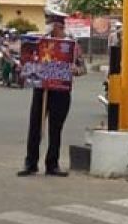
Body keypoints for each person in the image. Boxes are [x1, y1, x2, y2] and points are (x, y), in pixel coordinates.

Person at [18, 11, 84, 177]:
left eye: (55, 25)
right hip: (41, 89)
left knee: (56, 129)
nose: (52, 28)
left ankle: (52, 164)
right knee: (35, 127)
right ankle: (30, 163)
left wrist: (76, 70)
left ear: (61, 26)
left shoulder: (72, 45)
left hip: (61, 92)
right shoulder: (41, 42)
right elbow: (30, 60)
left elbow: (83, 68)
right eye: (50, 24)